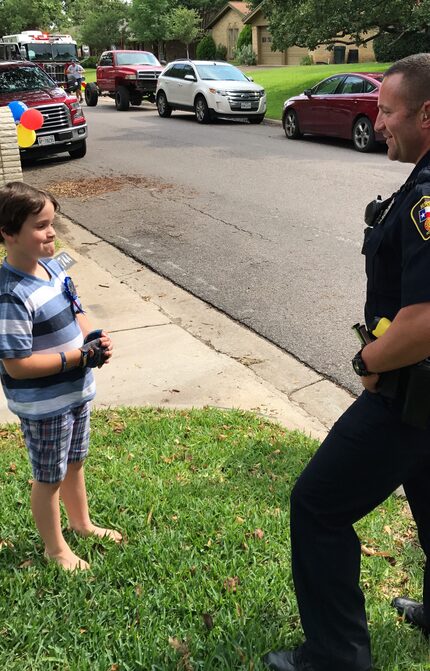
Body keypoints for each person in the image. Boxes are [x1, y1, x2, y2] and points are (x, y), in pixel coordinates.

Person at [263, 53, 430, 671]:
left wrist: (370, 359)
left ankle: (335, 657)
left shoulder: (428, 199)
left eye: (388, 110)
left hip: (409, 395)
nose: (380, 122)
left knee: (317, 505)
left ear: (426, 112)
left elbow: (427, 320)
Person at [0, 181, 122, 571]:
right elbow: (16, 364)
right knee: (48, 478)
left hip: (74, 391)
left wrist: (92, 338)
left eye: (52, 222)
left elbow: (75, 306)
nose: (51, 232)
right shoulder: (11, 296)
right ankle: (56, 550)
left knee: (74, 463)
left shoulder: (53, 267)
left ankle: (81, 523)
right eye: (39, 226)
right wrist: (75, 357)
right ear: (7, 234)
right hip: (44, 404)